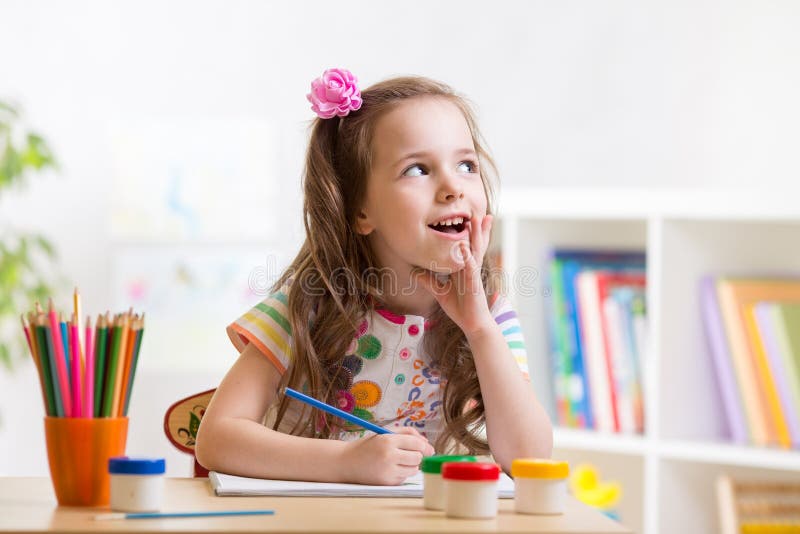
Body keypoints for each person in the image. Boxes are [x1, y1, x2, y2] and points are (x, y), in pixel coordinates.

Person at [194, 68, 552, 485]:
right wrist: (346, 461)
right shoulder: (307, 306)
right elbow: (216, 439)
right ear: (360, 210)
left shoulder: (490, 318)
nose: (453, 187)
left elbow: (529, 460)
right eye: (418, 170)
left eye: (466, 164)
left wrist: (479, 329)